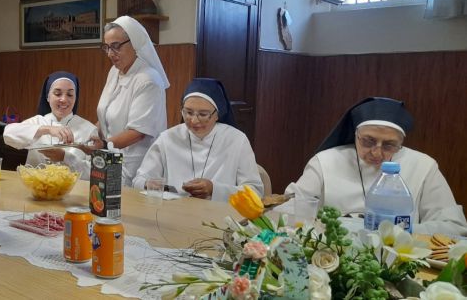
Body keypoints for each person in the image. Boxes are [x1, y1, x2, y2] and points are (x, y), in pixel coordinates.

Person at [286, 97, 467, 236]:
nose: (376, 152)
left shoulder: (424, 166)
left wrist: (397, 233)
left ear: (401, 142)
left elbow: (454, 226)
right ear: (356, 135)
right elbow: (289, 208)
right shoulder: (325, 161)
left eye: (389, 145)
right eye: (368, 141)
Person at [132, 78, 263, 201]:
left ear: (217, 114)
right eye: (188, 113)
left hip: (219, 218)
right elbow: (138, 180)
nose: (194, 120)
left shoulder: (236, 140)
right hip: (174, 215)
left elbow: (255, 191)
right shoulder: (167, 138)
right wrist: (149, 184)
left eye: (203, 114)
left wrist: (214, 189)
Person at [95, 16, 169, 187]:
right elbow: (106, 115)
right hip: (111, 156)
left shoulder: (148, 79)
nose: (110, 54)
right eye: (106, 47)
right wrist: (88, 135)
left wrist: (103, 146)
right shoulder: (114, 72)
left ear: (135, 43)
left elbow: (138, 132)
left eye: (115, 46)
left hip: (136, 164)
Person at [3, 71, 98, 179]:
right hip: (35, 190)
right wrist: (46, 129)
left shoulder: (89, 129)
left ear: (75, 99)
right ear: (48, 97)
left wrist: (65, 157)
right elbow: (8, 134)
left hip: (73, 193)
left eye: (70, 94)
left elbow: (94, 173)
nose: (64, 99)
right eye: (57, 94)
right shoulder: (38, 122)